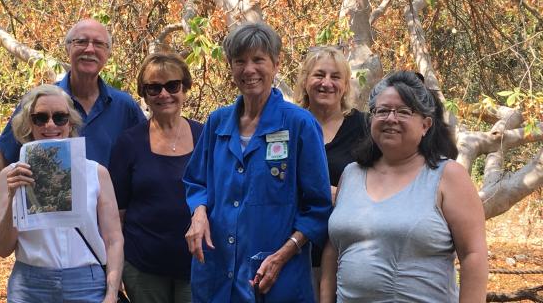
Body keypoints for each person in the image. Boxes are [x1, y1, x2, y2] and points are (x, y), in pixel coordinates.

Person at [183, 22, 333, 302]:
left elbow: (318, 207)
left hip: (275, 279)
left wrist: (283, 254)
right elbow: (196, 181)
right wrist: (198, 213)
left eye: (258, 60)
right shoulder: (217, 122)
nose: (249, 69)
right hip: (217, 275)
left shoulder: (299, 124)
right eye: (240, 61)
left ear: (276, 64)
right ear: (230, 67)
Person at [320, 71, 488, 302]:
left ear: (425, 125)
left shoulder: (448, 176)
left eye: (403, 111)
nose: (391, 118)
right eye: (382, 111)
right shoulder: (351, 174)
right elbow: (333, 250)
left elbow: (473, 255)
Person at [0, 84, 124, 302]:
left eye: (60, 117)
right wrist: (14, 197)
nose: (50, 125)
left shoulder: (96, 173)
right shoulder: (11, 176)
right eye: (40, 118)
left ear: (70, 123)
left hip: (87, 284)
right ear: (29, 124)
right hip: (30, 286)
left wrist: (111, 293)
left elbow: (114, 239)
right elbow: (2, 249)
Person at [109, 52, 203, 303]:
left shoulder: (205, 136)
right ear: (144, 94)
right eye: (154, 88)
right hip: (143, 266)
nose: (164, 94)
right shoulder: (129, 143)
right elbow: (117, 214)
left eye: (172, 86)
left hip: (197, 264)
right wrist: (114, 269)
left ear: (185, 89)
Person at [0, 19, 146, 171]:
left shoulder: (125, 106)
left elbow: (146, 152)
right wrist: (10, 184)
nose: (90, 49)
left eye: (99, 44)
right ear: (68, 48)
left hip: (107, 187)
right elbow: (3, 150)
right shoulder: (39, 102)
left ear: (108, 54)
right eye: (81, 42)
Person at [293, 46, 368, 298]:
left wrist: (345, 194)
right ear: (305, 81)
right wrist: (321, 193)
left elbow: (384, 181)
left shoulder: (365, 127)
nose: (327, 83)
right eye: (319, 75)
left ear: (345, 85)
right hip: (296, 252)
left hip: (349, 254)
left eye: (335, 77)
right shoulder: (289, 125)